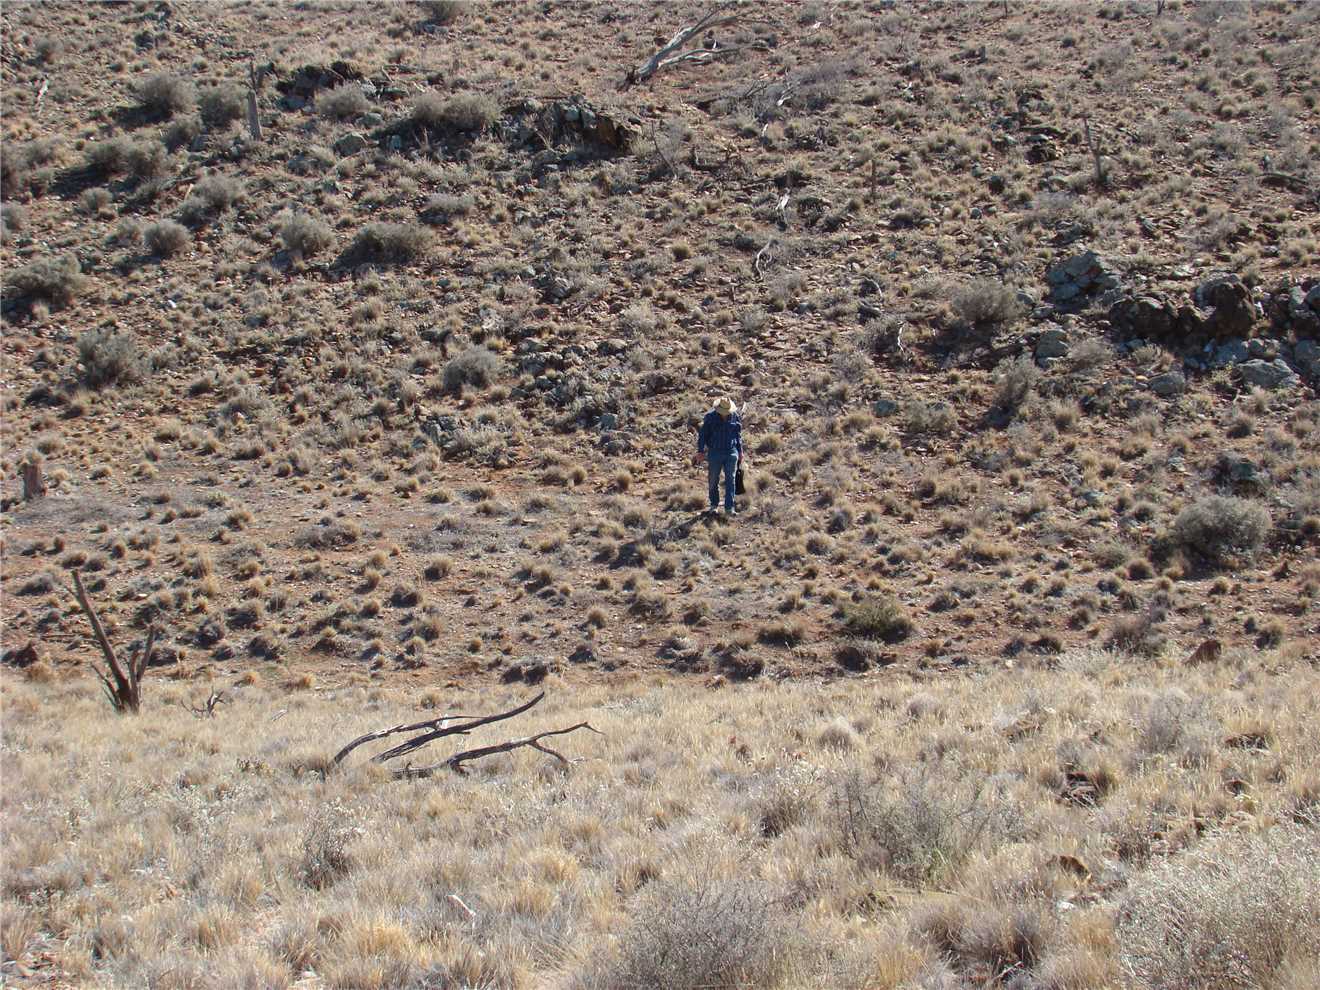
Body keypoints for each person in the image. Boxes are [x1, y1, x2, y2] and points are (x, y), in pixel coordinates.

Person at [695, 396, 743, 516]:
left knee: (731, 480)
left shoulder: (734, 416)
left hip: (731, 452)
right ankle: (714, 505)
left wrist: (740, 451)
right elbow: (703, 435)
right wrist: (700, 451)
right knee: (713, 479)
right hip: (715, 452)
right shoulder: (710, 417)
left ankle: (729, 508)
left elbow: (737, 435)